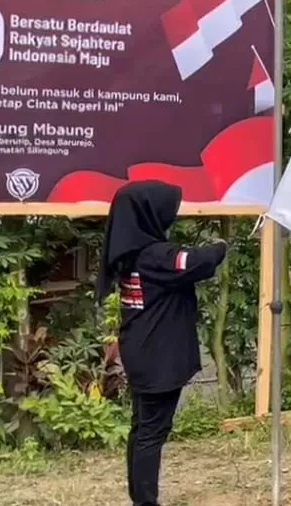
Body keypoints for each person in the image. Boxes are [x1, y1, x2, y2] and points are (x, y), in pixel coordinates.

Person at [98, 181, 227, 506]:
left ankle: (139, 497)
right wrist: (222, 246)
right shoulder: (156, 256)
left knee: (142, 428)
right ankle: (145, 501)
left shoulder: (127, 255)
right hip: (157, 357)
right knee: (151, 433)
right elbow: (196, 261)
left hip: (141, 351)